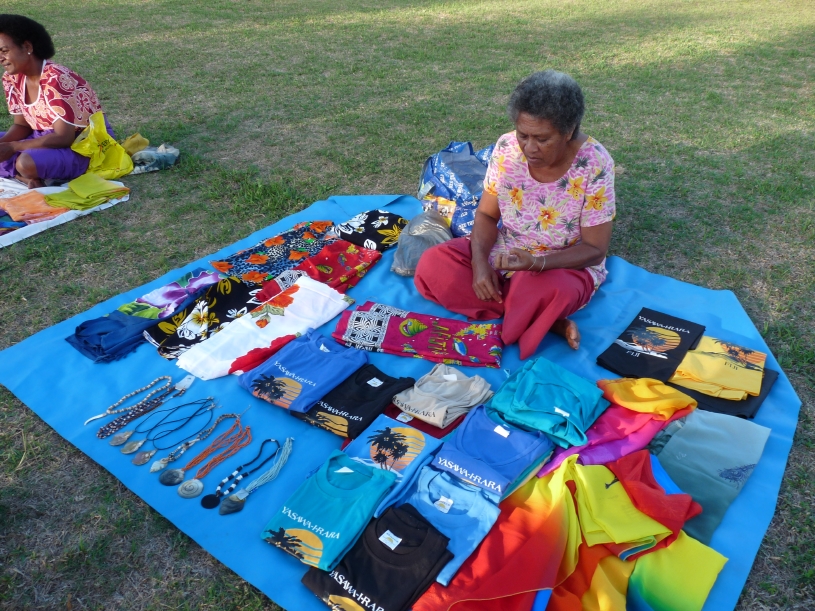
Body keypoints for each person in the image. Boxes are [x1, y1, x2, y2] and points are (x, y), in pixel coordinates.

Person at [415, 70, 615, 359]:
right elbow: (486, 215)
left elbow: (595, 250)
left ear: (568, 131)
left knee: (541, 289)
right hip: (505, 251)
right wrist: (479, 263)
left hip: (561, 265)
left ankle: (528, 309)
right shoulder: (507, 148)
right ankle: (545, 320)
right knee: (434, 265)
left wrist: (537, 263)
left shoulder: (594, 162)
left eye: (542, 139)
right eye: (523, 135)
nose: (529, 148)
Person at [0, 14, 109, 188]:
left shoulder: (56, 79)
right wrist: (4, 145)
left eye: (4, 51)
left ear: (27, 47)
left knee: (25, 163)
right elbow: (22, 125)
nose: (1, 58)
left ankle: (26, 173)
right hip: (41, 138)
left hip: (81, 145)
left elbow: (64, 137)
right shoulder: (12, 79)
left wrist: (13, 147)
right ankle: (29, 178)